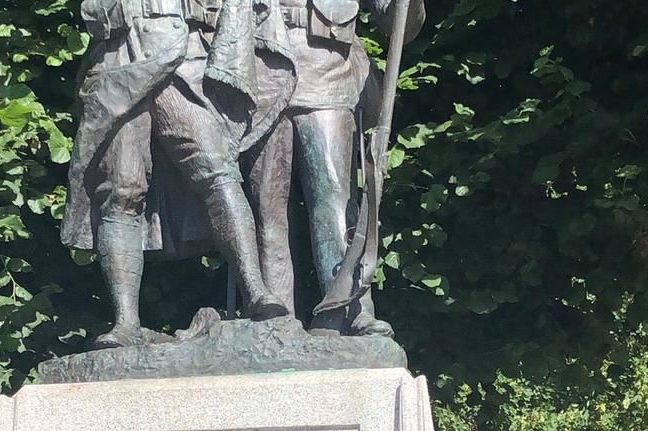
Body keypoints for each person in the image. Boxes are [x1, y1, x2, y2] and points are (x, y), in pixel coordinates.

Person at [62, 0, 294, 348]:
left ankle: (255, 290)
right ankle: (126, 323)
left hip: (182, 59)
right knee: (121, 191)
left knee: (218, 171)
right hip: (117, 61)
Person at [244, 0, 425, 337]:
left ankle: (348, 309)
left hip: (326, 72)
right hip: (260, 73)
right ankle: (273, 320)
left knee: (334, 200)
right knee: (266, 208)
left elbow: (400, 22)